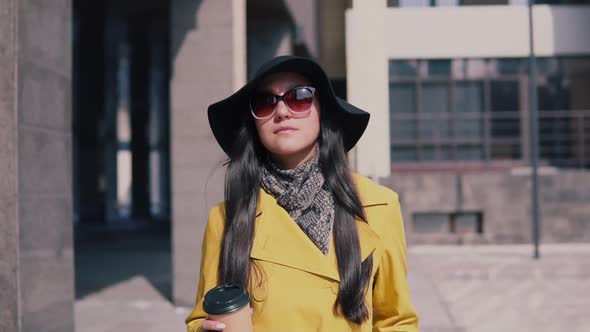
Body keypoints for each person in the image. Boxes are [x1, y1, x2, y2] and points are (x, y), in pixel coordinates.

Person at [185, 56, 419, 332]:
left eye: (300, 97)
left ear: (323, 111)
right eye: (265, 102)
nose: (282, 111)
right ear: (254, 124)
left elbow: (396, 321)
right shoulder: (227, 219)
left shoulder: (378, 206)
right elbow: (204, 317)